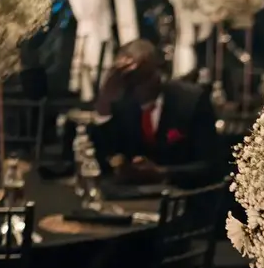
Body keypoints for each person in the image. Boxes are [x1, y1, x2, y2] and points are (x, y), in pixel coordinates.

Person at [91, 39, 221, 186]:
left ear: (158, 72)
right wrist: (104, 101)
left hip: (184, 194)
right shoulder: (122, 102)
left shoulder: (191, 100)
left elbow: (210, 165)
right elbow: (101, 160)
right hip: (132, 196)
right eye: (131, 81)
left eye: (143, 78)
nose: (138, 88)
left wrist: (162, 172)